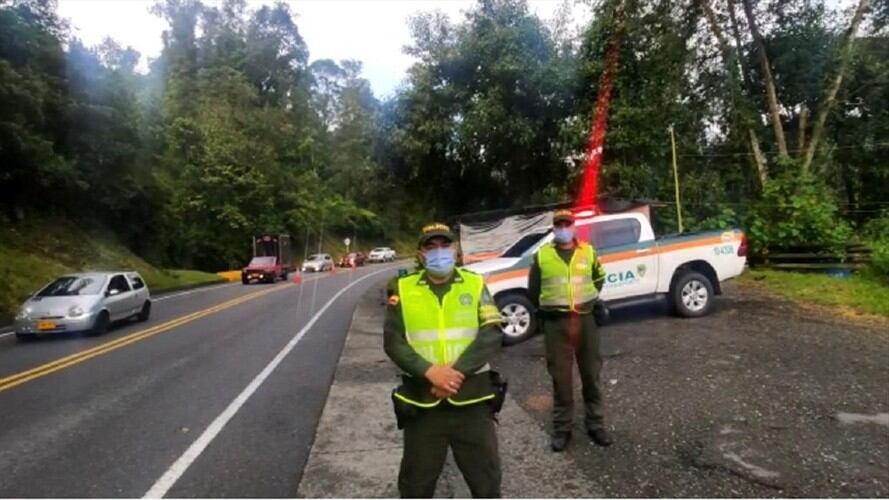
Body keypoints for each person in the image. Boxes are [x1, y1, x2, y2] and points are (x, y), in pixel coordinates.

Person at [383, 222, 504, 498]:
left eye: (445, 245)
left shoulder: (475, 284)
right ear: (420, 254)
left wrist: (450, 375)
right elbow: (393, 341)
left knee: (487, 481)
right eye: (431, 246)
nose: (439, 251)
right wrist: (429, 372)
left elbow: (491, 334)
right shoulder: (401, 288)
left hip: (472, 402)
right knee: (416, 485)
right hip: (423, 404)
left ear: (456, 249)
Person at [528, 209, 612, 452]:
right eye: (559, 224)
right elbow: (533, 290)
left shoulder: (588, 251)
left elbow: (599, 278)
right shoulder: (542, 256)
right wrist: (549, 309)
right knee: (561, 379)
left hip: (585, 320)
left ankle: (596, 425)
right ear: (554, 228)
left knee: (591, 375)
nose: (563, 227)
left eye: (567, 223)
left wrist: (589, 300)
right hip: (556, 324)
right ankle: (562, 429)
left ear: (574, 226)